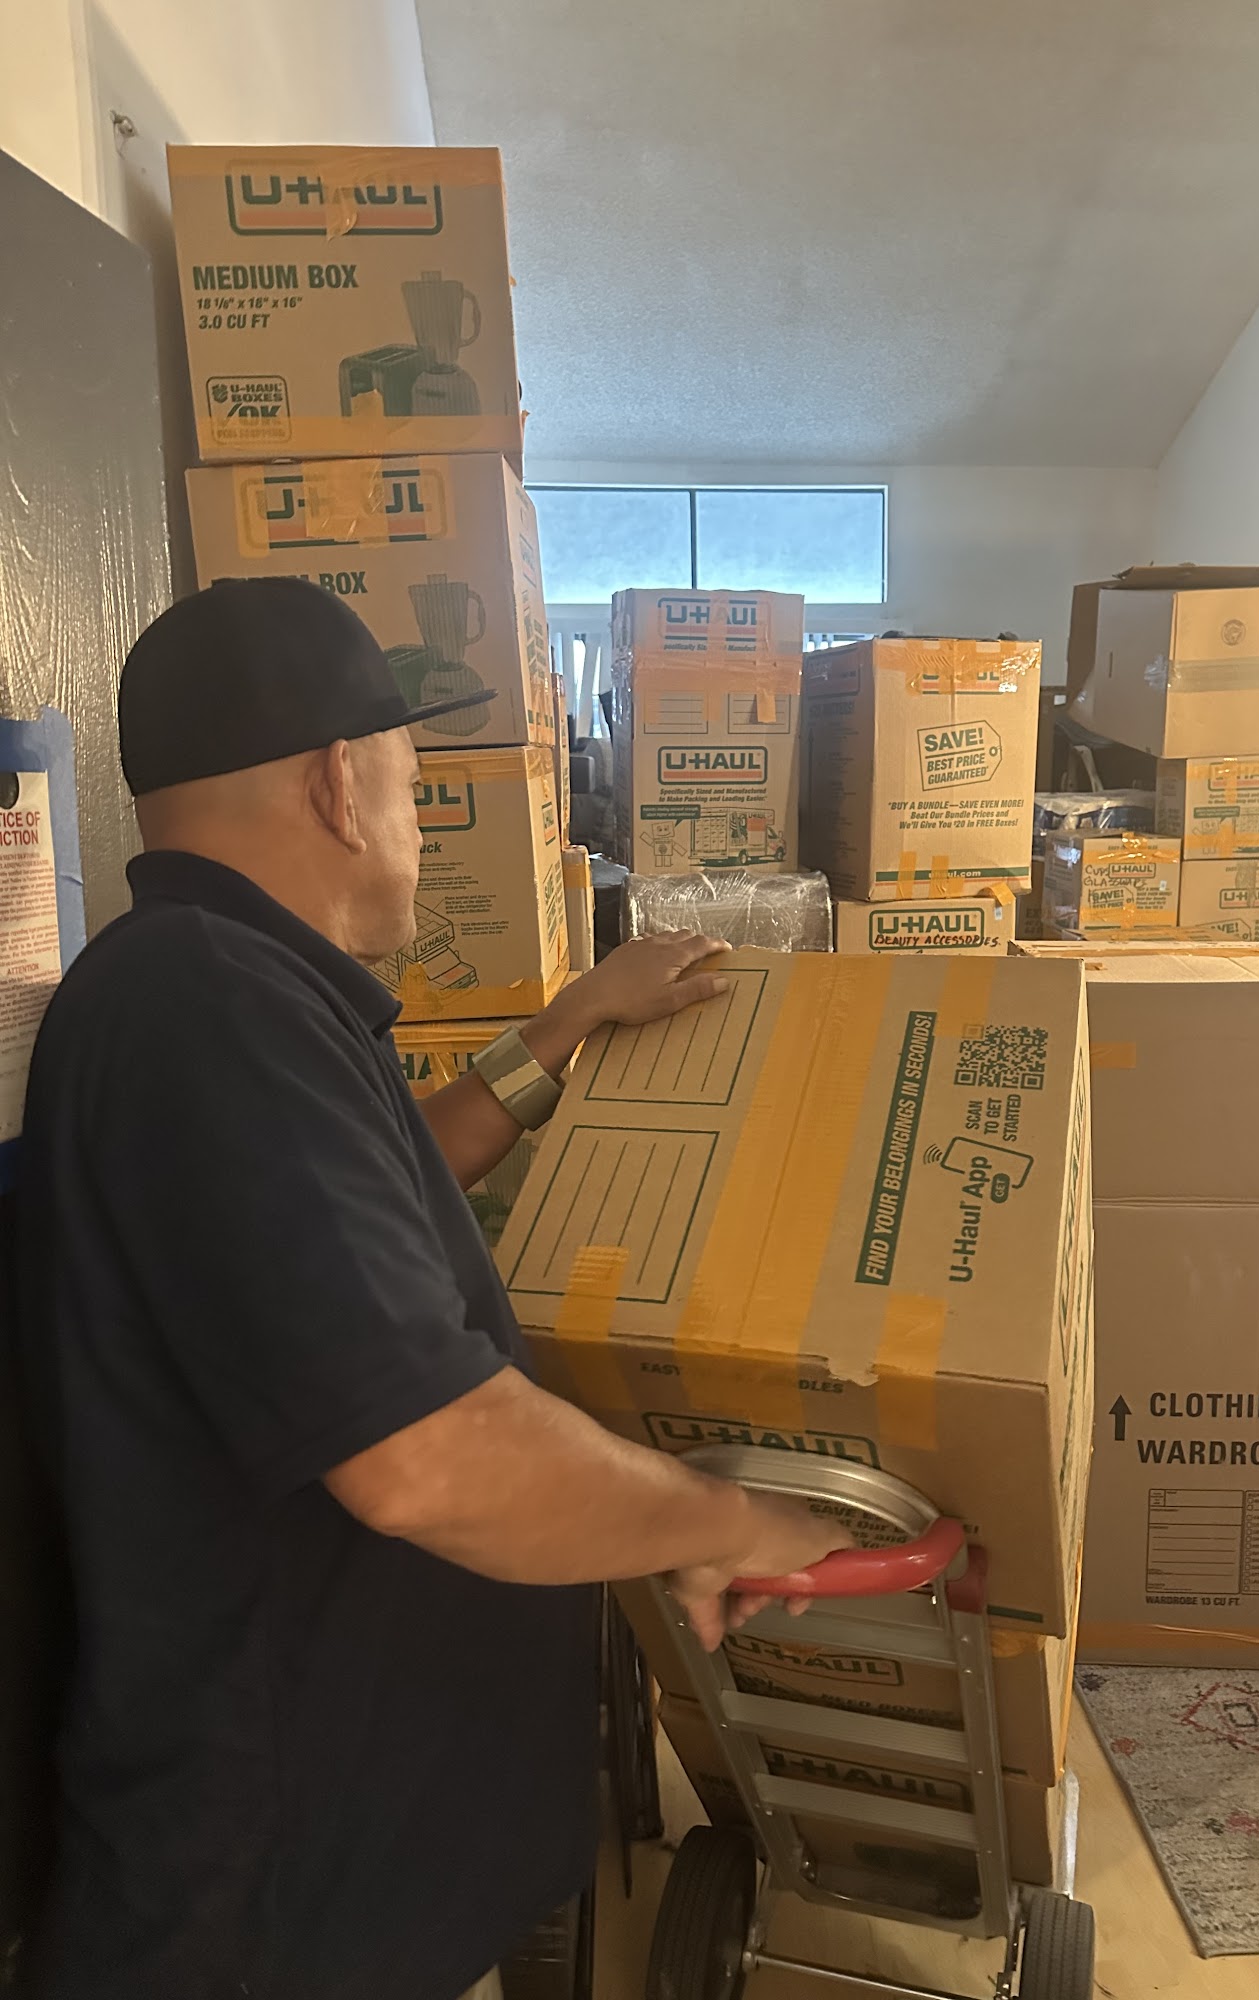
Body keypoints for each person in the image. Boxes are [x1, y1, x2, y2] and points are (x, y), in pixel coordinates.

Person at [14, 579, 843, 2000]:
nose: (420, 822)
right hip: (278, 1907)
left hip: (325, 1859)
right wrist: (725, 1520)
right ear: (339, 783)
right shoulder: (213, 1013)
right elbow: (430, 1460)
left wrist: (566, 1026)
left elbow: (385, 1187)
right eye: (413, 782)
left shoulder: (209, 984)